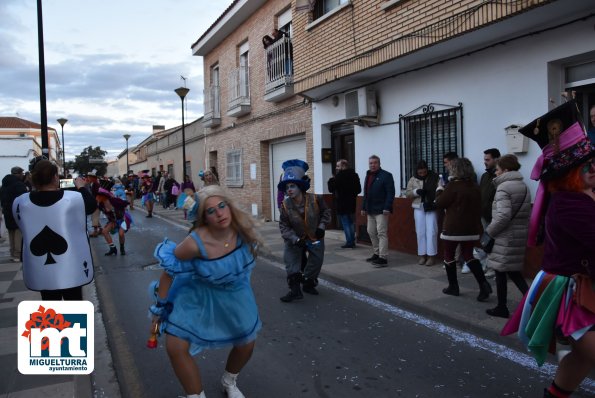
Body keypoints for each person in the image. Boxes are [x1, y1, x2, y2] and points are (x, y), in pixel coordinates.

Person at [500, 101, 595, 397]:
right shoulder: (571, 203)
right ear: (571, 174)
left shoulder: (581, 197)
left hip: (581, 285)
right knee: (588, 352)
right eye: (588, 166)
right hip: (573, 292)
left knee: (583, 356)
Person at [149, 185, 264, 398]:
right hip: (197, 294)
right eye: (211, 211)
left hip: (234, 294)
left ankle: (229, 381)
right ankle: (196, 395)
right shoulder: (193, 243)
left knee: (247, 343)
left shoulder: (242, 229)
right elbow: (168, 273)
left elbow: (247, 260)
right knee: (175, 346)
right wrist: (160, 309)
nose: (219, 213)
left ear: (229, 207)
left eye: (222, 206)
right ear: (204, 217)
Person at [13, 157, 96, 300]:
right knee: (74, 304)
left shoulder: (21, 202)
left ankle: (54, 323)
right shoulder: (74, 198)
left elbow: (20, 225)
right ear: (55, 177)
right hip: (72, 265)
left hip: (39, 266)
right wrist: (81, 187)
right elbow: (91, 205)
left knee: (50, 304)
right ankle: (74, 323)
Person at [435, 157, 492, 301]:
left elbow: (440, 203)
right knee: (468, 255)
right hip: (471, 227)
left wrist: (439, 189)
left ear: (456, 169)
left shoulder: (453, 185)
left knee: (449, 255)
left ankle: (453, 287)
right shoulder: (474, 186)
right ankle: (483, 284)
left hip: (453, 227)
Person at [482, 154, 531, 318]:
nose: (495, 173)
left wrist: (489, 231)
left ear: (506, 170)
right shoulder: (523, 185)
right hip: (518, 234)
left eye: (497, 169)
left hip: (504, 235)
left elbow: (502, 216)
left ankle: (503, 307)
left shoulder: (504, 187)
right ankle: (533, 302)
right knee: (512, 271)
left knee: (501, 271)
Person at [278, 159, 331, 302]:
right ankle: (295, 291)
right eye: (287, 186)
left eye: (292, 186)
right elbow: (283, 226)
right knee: (290, 261)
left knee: (316, 261)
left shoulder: (316, 199)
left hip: (315, 237)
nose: (289, 189)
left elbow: (326, 213)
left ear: (300, 186)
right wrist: (294, 239)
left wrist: (321, 227)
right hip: (295, 239)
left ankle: (308, 282)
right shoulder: (285, 205)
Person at [361, 155, 395, 267]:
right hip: (370, 209)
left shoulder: (386, 176)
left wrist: (387, 207)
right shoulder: (368, 175)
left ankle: (383, 257)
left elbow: (390, 193)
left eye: (375, 163)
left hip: (382, 210)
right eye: (371, 163)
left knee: (381, 233)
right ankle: (376, 253)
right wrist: (363, 207)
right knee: (370, 231)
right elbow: (366, 192)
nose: (373, 165)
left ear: (379, 164)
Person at [406, 160, 439, 266]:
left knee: (432, 231)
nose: (422, 174)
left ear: (427, 169)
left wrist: (435, 200)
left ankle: (431, 256)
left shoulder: (434, 177)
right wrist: (416, 192)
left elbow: (440, 190)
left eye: (424, 172)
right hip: (418, 207)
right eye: (420, 173)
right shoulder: (413, 178)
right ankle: (422, 255)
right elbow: (407, 193)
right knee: (420, 232)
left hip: (431, 206)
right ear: (417, 171)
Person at [328, 159, 361, 249]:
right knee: (350, 222)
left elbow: (331, 189)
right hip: (351, 202)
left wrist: (331, 179)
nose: (336, 168)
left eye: (338, 166)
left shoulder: (339, 176)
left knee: (346, 222)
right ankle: (352, 241)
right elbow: (358, 190)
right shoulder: (354, 175)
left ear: (343, 166)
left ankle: (349, 242)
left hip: (342, 202)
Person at [1, 166, 28, 262]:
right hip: (16, 211)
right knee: (17, 232)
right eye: (22, 173)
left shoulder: (4, 184)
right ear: (18, 174)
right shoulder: (19, 185)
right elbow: (23, 198)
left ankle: (12, 252)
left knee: (11, 231)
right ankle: (17, 253)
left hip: (7, 211)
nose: (22, 175)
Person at [97, 186, 132, 256]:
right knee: (104, 231)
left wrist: (128, 195)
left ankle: (122, 248)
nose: (97, 197)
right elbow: (107, 214)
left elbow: (126, 203)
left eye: (99, 196)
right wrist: (112, 221)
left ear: (103, 196)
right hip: (113, 220)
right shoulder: (101, 205)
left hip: (122, 218)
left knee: (121, 234)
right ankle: (113, 248)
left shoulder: (114, 201)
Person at [86, 171, 102, 236]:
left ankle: (95, 232)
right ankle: (100, 229)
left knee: (94, 217)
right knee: (95, 217)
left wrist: (97, 202)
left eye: (89, 177)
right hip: (95, 202)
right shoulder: (93, 183)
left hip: (97, 202)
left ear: (92, 177)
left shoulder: (96, 184)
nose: (88, 178)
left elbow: (98, 194)